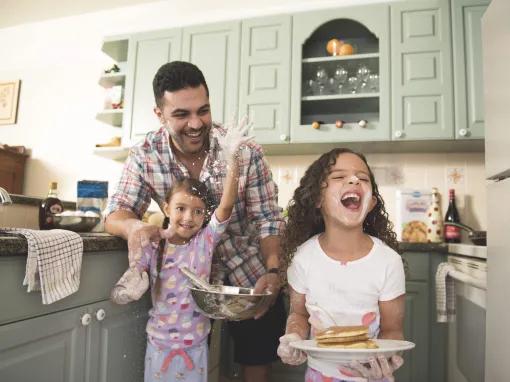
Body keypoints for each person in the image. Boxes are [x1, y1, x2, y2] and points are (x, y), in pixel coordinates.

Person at [104, 61, 286, 382]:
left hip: (249, 278)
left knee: (256, 359)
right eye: (181, 114)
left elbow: (268, 221)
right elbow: (116, 213)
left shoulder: (244, 152)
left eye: (203, 110)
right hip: (182, 298)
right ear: (159, 114)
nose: (196, 123)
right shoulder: (146, 155)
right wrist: (134, 227)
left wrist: (273, 271)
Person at [110, 124, 249, 381]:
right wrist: (130, 283)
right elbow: (136, 271)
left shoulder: (205, 241)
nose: (188, 217)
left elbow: (226, 205)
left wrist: (233, 161)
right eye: (181, 208)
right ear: (166, 208)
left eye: (198, 211)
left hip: (195, 346)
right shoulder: (154, 241)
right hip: (159, 345)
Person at [277, 148, 406, 381]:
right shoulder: (303, 259)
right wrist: (293, 338)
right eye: (338, 177)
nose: (354, 180)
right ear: (317, 198)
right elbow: (298, 314)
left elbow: (392, 329)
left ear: (372, 202)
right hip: (319, 375)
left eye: (363, 178)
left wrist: (387, 359)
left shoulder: (388, 262)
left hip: (370, 376)